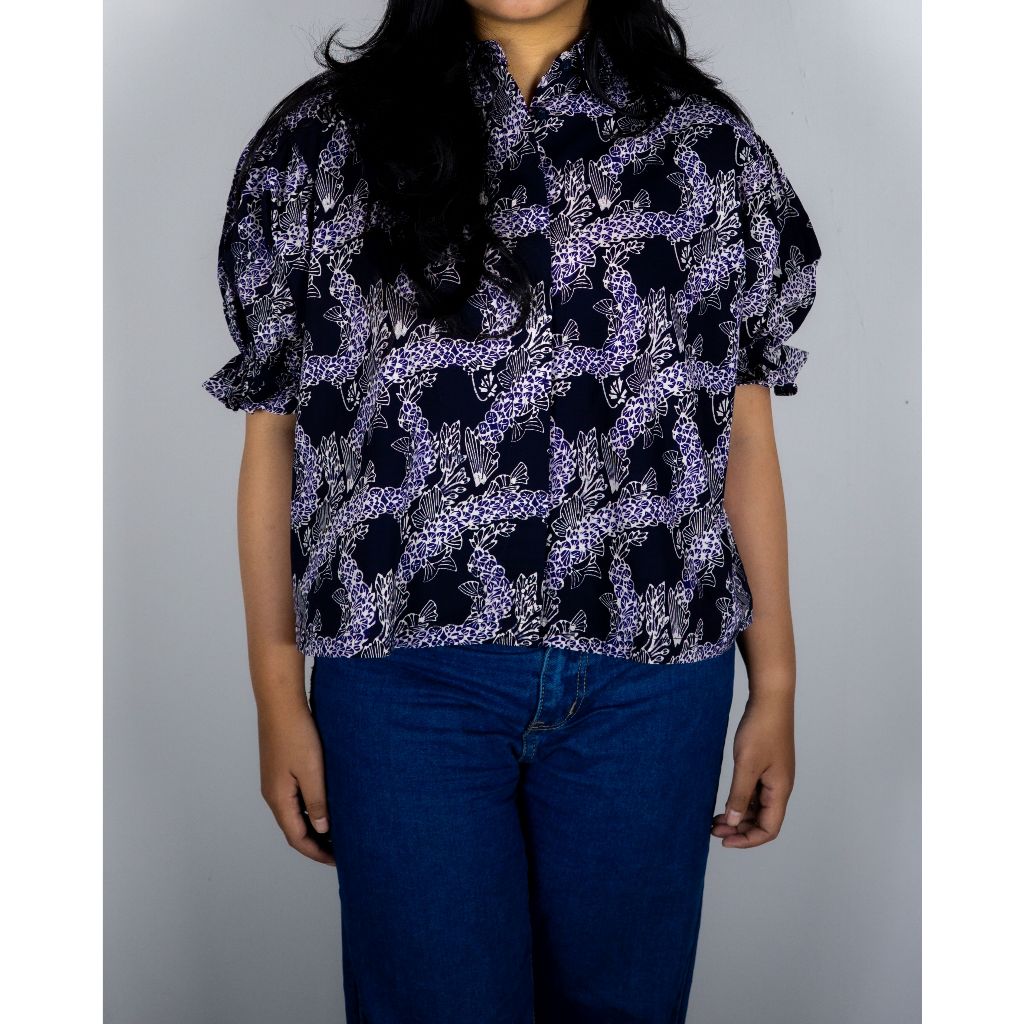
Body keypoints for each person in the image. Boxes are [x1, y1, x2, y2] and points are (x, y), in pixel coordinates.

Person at [201, 0, 822, 1019]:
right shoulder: (323, 143)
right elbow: (275, 430)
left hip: (651, 688)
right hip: (406, 685)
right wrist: (277, 691)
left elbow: (740, 433)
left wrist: (778, 682)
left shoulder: (707, 150)